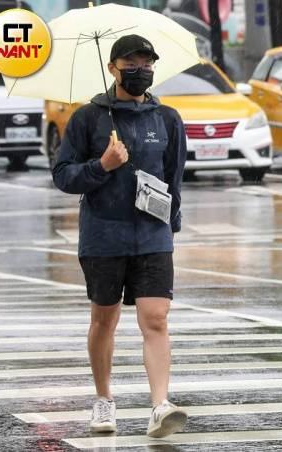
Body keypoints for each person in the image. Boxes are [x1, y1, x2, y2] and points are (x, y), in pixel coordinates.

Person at [51, 34, 188, 438]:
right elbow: (63, 176)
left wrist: (170, 226)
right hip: (103, 238)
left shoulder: (167, 119)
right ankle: (103, 399)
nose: (140, 69)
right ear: (113, 67)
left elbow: (174, 178)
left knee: (157, 319)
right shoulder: (87, 119)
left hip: (152, 237)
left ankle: (160, 404)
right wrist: (103, 164)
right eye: (132, 62)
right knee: (104, 319)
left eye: (147, 63)